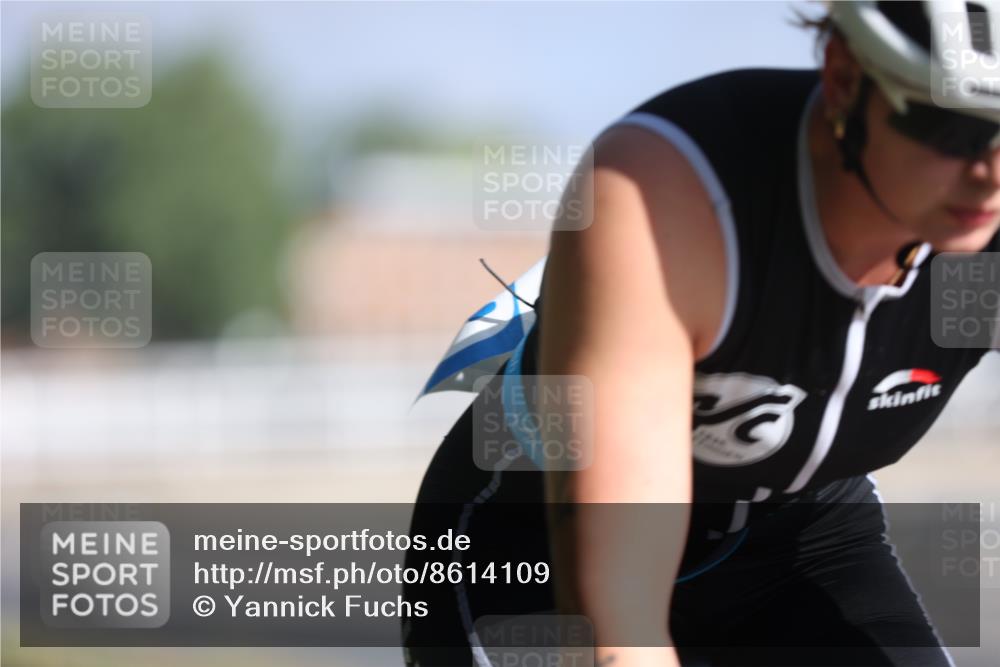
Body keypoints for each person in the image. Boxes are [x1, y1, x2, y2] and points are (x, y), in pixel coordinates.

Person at [402, 1, 1000, 665]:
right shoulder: (671, 195)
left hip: (799, 540)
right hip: (530, 541)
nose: (991, 169)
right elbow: (617, 625)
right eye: (955, 128)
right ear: (844, 78)